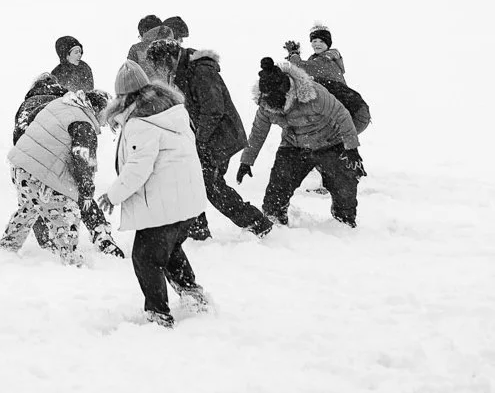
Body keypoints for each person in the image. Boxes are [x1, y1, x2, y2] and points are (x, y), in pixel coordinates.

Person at [96, 62, 211, 329]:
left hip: (164, 203)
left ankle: (158, 313)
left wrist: (112, 195)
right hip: (187, 200)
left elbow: (138, 168)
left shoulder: (141, 123)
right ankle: (192, 294)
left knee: (146, 257)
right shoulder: (171, 111)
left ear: (123, 96)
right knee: (168, 251)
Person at [143, 39, 272, 240]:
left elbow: (213, 110)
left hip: (221, 137)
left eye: (158, 63)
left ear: (168, 57)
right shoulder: (184, 71)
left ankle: (256, 222)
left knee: (210, 186)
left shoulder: (201, 71)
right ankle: (198, 230)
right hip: (209, 137)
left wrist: (200, 141)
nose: (158, 69)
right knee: (193, 181)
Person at [238, 58, 366, 228]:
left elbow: (341, 114)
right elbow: (258, 131)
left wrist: (351, 148)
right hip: (293, 146)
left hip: (330, 143)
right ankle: (274, 222)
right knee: (278, 188)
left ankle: (344, 221)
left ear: (287, 92)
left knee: (344, 188)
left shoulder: (314, 94)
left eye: (276, 102)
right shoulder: (266, 104)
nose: (272, 106)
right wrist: (246, 161)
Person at [11, 75, 123, 258]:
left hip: (22, 160)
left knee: (30, 205)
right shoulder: (80, 118)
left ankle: (17, 245)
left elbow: (23, 129)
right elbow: (82, 162)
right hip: (47, 161)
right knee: (70, 202)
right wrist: (86, 189)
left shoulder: (55, 104)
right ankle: (79, 249)